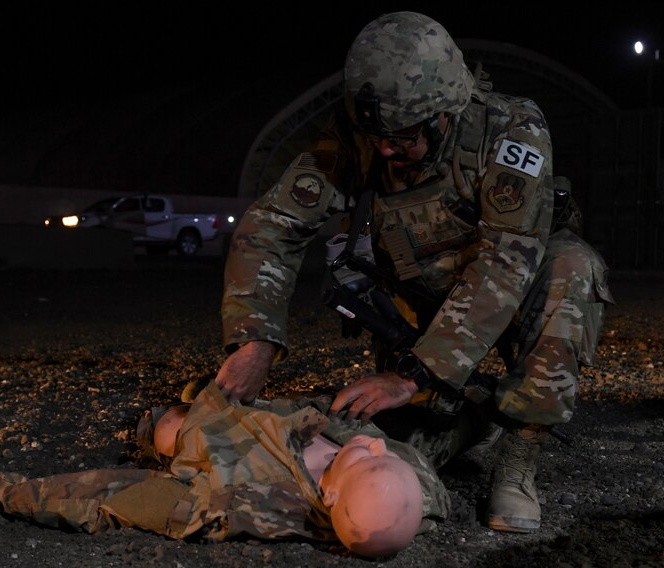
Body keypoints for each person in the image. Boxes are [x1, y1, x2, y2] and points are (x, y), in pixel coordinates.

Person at [217, 11, 614, 533]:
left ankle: (520, 452)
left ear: (446, 111)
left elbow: (505, 261)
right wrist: (255, 338)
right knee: (397, 443)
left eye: (403, 136)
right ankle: (469, 421)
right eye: (377, 135)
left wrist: (411, 374)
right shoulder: (361, 137)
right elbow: (272, 226)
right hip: (421, 299)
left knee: (572, 266)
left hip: (510, 289)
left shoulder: (511, 130)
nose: (385, 149)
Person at [0, 380, 485, 558]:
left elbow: (102, 495)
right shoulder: (411, 491)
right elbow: (418, 456)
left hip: (205, 435)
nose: (369, 447)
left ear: (329, 500)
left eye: (358, 459)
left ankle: (158, 423)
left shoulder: (239, 499)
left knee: (165, 427)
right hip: (278, 412)